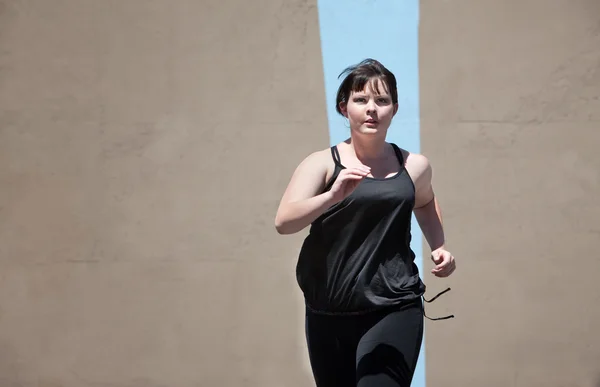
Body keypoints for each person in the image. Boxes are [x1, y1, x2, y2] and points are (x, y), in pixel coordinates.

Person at [274, 58, 456, 387]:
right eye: (361, 100)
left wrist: (439, 245)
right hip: (327, 310)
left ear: (394, 109)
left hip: (393, 305)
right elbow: (284, 222)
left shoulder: (414, 166)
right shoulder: (321, 164)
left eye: (382, 100)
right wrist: (333, 196)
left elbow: (425, 201)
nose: (371, 109)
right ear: (344, 108)